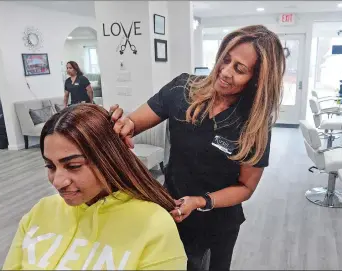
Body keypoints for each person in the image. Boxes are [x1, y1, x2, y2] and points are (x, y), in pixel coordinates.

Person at [110, 25, 286, 270]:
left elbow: (246, 187)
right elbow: (133, 123)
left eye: (239, 69)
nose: (224, 72)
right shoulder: (182, 89)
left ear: (257, 80)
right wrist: (122, 125)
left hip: (217, 224)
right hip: (171, 210)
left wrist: (200, 201)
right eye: (225, 60)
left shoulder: (253, 123)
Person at [2, 104, 187, 270]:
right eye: (50, 166)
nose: (57, 182)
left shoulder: (154, 225)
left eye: (73, 166)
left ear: (109, 160)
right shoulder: (40, 211)